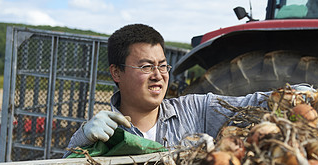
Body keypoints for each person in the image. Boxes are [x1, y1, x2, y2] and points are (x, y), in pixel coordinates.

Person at [64, 23, 304, 157]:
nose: (158, 75)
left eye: (162, 65)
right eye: (147, 67)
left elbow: (253, 103)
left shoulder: (196, 110)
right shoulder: (103, 134)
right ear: (116, 73)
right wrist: (83, 136)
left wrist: (303, 94)